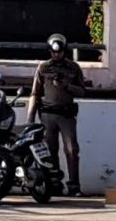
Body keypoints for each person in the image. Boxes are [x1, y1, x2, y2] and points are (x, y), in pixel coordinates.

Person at [26, 32, 85, 196]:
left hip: (66, 114)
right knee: (50, 151)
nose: (56, 55)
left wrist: (67, 86)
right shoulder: (43, 68)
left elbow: (82, 91)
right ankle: (54, 184)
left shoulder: (73, 68)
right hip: (47, 114)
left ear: (64, 50)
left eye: (59, 52)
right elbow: (35, 93)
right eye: (53, 52)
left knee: (72, 149)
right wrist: (30, 118)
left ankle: (74, 185)